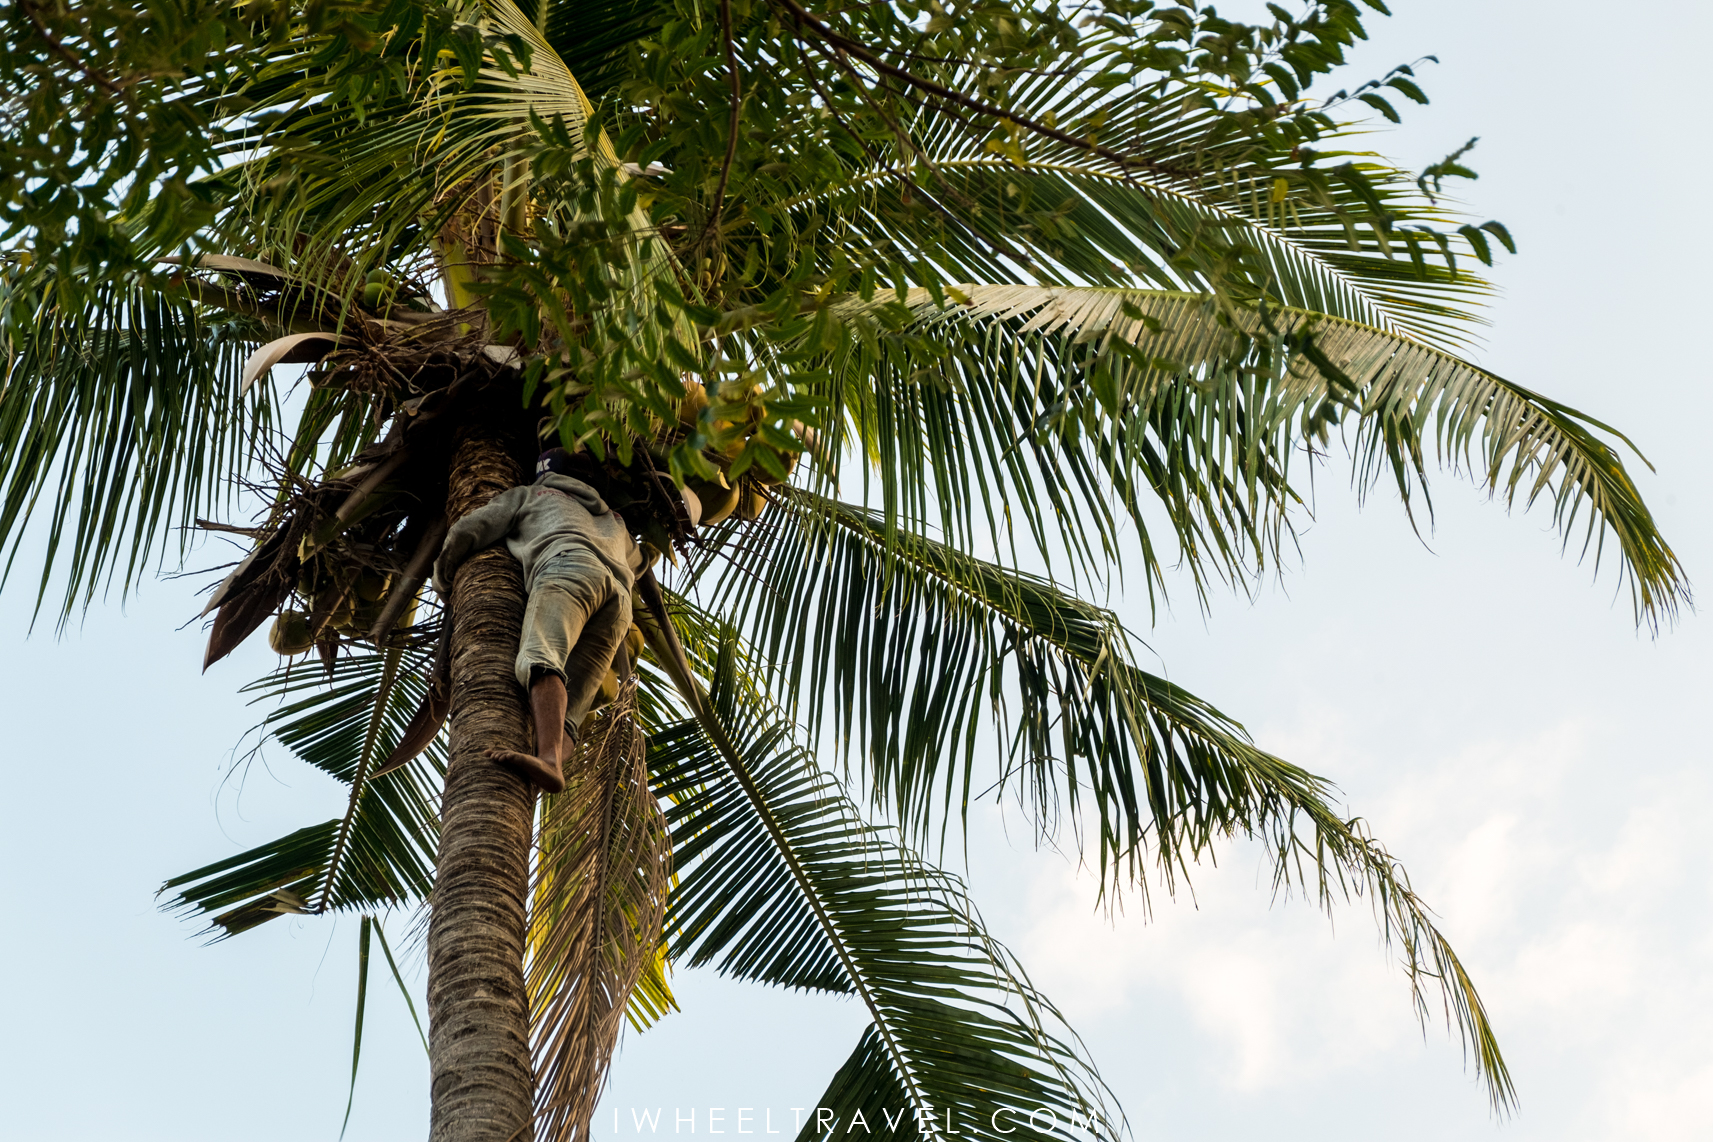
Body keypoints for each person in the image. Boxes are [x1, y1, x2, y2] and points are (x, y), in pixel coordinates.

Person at [432, 448, 643, 793]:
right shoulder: (615, 520)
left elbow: (473, 528)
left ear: (545, 474)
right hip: (619, 602)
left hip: (567, 567)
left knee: (541, 658)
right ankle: (553, 764)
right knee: (574, 705)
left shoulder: (532, 494)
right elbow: (639, 560)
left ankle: (548, 759)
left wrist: (443, 579)